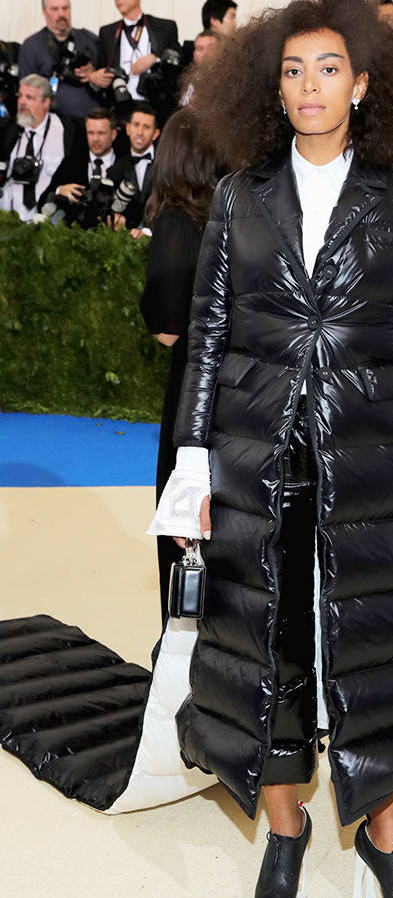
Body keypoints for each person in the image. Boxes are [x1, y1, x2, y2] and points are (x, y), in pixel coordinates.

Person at [149, 0, 393, 898]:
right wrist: (195, 464)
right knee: (267, 655)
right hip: (257, 462)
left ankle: (386, 843)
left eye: (329, 68)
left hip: (370, 463)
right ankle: (284, 832)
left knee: (384, 656)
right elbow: (207, 337)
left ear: (364, 84)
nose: (311, 85)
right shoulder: (240, 197)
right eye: (292, 71)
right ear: (271, 91)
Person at [139, 108, 220, 621]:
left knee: (183, 510)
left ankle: (183, 639)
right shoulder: (235, 210)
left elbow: (168, 329)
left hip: (194, 383)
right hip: (239, 384)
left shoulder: (175, 222)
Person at [90, 0, 178, 103]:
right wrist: (94, 77)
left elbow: (178, 61)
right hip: (119, 105)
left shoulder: (165, 27)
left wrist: (155, 58)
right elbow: (100, 68)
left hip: (156, 105)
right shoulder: (107, 32)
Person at [18, 0, 99, 122]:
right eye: (55, 9)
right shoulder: (31, 46)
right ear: (44, 12)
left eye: (65, 8)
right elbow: (26, 94)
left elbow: (107, 76)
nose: (61, 14)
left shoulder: (89, 39)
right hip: (51, 125)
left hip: (91, 125)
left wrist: (94, 74)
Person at [0, 74, 69, 222]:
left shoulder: (66, 132)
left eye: (29, 98)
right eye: (20, 97)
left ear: (46, 102)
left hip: (48, 223)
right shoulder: (7, 130)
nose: (22, 102)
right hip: (7, 221)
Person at [44, 106, 119, 206]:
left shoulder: (125, 165)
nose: (95, 139)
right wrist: (59, 191)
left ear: (113, 135)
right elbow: (42, 201)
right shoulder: (72, 162)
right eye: (91, 133)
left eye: (101, 133)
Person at [107, 102, 160, 229]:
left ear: (155, 134)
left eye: (146, 127)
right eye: (136, 125)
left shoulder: (166, 165)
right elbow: (111, 209)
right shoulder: (115, 170)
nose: (140, 132)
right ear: (128, 129)